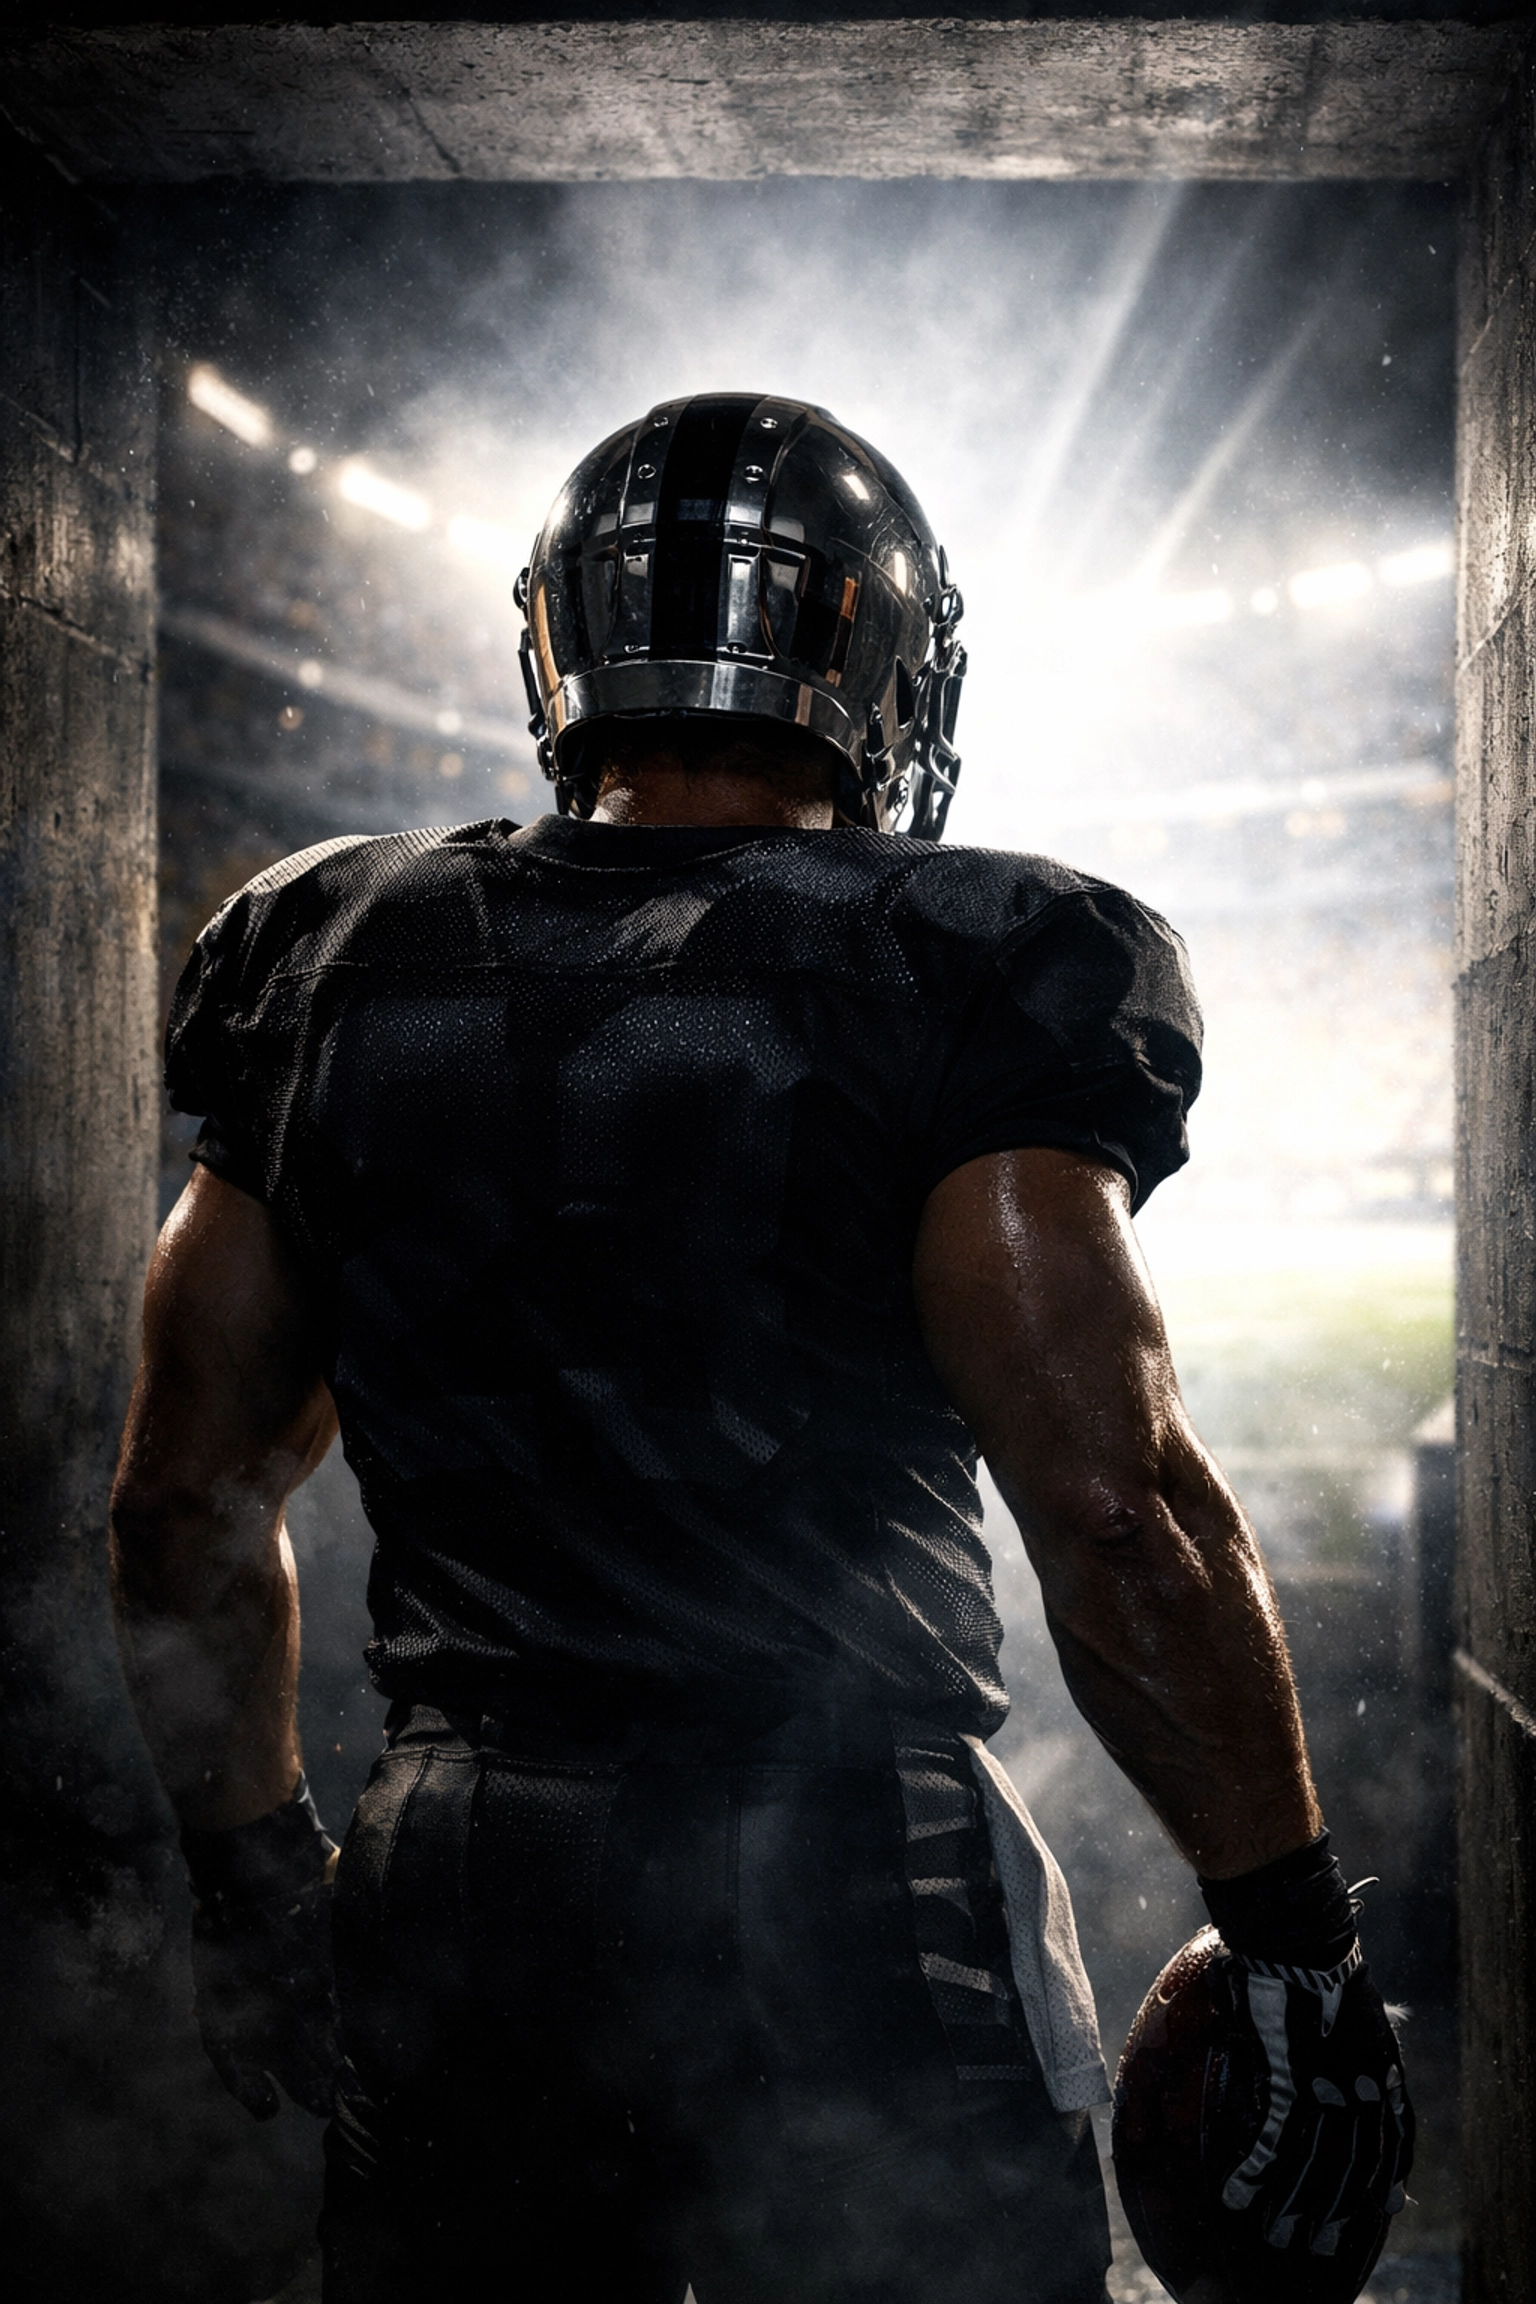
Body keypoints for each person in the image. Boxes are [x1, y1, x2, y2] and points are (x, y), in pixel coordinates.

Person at [111, 395, 1408, 2304]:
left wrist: (246, 1880)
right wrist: (1291, 1934)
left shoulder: (321, 945)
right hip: (845, 1872)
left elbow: (179, 1506)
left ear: (562, 643)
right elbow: (1117, 1509)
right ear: (877, 656)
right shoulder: (973, 948)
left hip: (457, 1858)